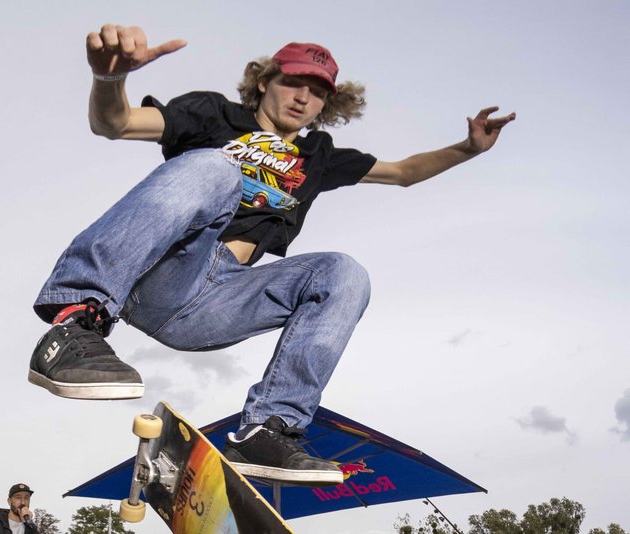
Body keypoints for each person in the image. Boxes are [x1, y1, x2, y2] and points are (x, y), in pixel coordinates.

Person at [29, 24, 514, 484]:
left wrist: (467, 149)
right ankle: (77, 317)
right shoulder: (214, 116)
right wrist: (109, 77)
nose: (303, 98)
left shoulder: (317, 157)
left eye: (317, 92)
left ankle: (269, 430)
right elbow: (115, 123)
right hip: (164, 272)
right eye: (293, 83)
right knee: (218, 170)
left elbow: (404, 172)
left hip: (220, 302)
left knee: (342, 272)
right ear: (264, 82)